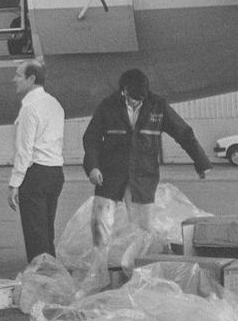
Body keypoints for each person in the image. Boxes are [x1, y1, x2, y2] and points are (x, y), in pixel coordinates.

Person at [82, 67, 211, 242]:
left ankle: (138, 268)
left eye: (140, 100)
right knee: (100, 224)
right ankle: (99, 269)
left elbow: (184, 133)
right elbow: (91, 138)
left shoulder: (158, 106)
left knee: (143, 230)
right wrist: (93, 167)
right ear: (124, 91)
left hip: (143, 176)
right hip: (109, 174)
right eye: (132, 99)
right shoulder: (108, 106)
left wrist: (201, 163)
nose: (135, 103)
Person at [6, 59, 66, 261]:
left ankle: (41, 278)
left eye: (18, 75)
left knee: (35, 234)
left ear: (31, 79)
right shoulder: (54, 103)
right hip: (55, 171)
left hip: (36, 174)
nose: (14, 80)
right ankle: (50, 274)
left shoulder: (29, 108)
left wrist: (14, 183)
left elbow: (24, 150)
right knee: (46, 231)